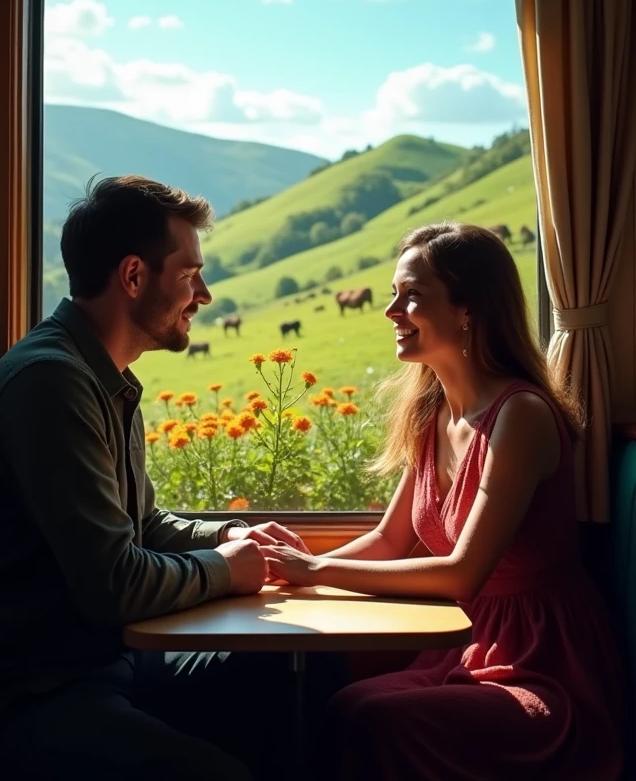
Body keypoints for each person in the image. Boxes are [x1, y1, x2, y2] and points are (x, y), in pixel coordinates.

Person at [0, 175, 308, 781]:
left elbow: (140, 526)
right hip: (23, 693)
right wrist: (226, 570)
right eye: (190, 274)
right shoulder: (50, 384)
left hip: (98, 661)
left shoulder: (102, 375)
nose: (206, 295)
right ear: (134, 276)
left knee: (288, 664)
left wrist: (227, 539)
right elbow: (115, 584)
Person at [263, 222, 625, 780]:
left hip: (540, 662)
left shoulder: (520, 415)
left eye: (411, 295)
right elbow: (389, 541)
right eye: (392, 294)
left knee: (376, 717)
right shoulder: (435, 416)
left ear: (467, 310)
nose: (391, 311)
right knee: (339, 702)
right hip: (464, 645)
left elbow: (461, 575)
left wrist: (315, 568)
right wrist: (281, 578)